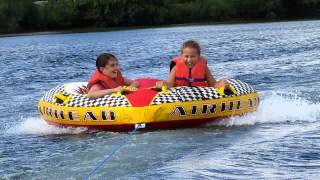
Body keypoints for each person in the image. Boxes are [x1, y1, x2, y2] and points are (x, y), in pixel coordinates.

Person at [156, 40, 230, 91]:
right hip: (180, 96)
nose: (189, 60)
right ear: (181, 56)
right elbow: (170, 85)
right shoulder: (176, 67)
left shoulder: (203, 67)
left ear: (198, 56)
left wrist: (221, 84)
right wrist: (163, 84)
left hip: (200, 96)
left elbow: (213, 84)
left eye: (193, 56)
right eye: (186, 56)